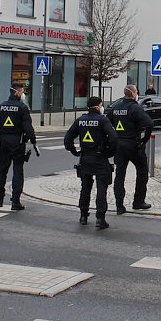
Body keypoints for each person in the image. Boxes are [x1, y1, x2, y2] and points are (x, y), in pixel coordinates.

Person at [65, 96, 118, 229]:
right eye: (101, 105)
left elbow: (68, 138)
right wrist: (109, 153)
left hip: (85, 158)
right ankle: (100, 218)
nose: (101, 107)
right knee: (102, 187)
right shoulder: (102, 120)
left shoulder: (80, 120)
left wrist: (75, 151)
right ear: (97, 107)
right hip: (100, 158)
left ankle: (83, 215)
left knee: (85, 187)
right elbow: (114, 138)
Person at [106, 85, 154, 213]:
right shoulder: (135, 108)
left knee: (119, 175)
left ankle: (119, 205)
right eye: (136, 92)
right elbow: (149, 123)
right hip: (133, 145)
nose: (137, 94)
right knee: (142, 171)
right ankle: (138, 201)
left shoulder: (116, 108)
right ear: (133, 94)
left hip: (118, 145)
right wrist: (144, 139)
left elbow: (107, 122)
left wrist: (114, 133)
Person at [0, 83, 36, 210]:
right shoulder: (22, 107)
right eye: (22, 92)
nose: (23, 94)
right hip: (17, 142)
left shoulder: (1, 107)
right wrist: (32, 139)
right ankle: (15, 201)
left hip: (3, 141)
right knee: (17, 171)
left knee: (2, 170)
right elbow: (28, 127)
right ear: (16, 93)